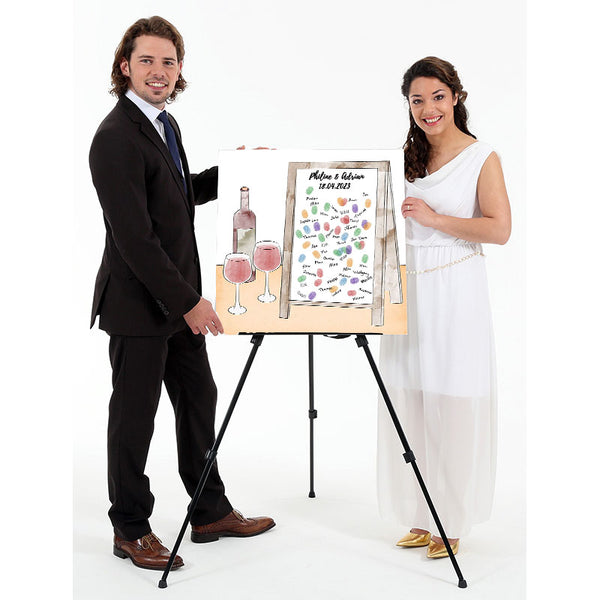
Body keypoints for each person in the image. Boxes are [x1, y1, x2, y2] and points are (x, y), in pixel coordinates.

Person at [89, 16, 275, 571]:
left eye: (168, 62)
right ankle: (130, 528)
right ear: (125, 66)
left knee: (199, 400)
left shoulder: (164, 125)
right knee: (134, 419)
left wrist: (236, 169)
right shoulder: (115, 137)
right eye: (147, 60)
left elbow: (177, 194)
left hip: (176, 303)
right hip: (138, 306)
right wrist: (190, 302)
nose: (159, 71)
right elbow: (135, 238)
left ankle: (209, 510)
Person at [377, 56, 511, 559]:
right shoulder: (406, 158)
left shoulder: (481, 157)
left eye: (437, 97)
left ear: (455, 97)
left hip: (456, 289)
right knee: (409, 397)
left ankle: (449, 519)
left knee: (451, 400)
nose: (428, 108)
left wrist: (434, 219)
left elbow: (499, 229)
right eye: (417, 100)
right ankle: (420, 513)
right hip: (409, 290)